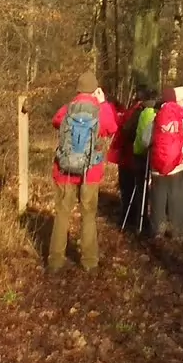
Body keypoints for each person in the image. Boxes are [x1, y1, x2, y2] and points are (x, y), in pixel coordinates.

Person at [48, 72, 118, 273]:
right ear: (95, 89)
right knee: (88, 215)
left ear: (78, 89)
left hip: (64, 170)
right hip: (91, 171)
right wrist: (103, 103)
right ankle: (90, 262)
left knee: (62, 213)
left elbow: (55, 122)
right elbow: (112, 127)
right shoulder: (99, 110)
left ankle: (55, 261)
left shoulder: (67, 109)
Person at [142, 85, 183, 239]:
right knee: (177, 196)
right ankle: (177, 231)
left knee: (158, 196)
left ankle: (158, 230)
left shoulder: (156, 116)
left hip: (158, 164)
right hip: (177, 163)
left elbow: (146, 140)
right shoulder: (182, 116)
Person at [111, 84, 153, 230]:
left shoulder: (137, 111)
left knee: (128, 187)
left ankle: (129, 217)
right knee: (141, 188)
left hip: (130, 155)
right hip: (143, 154)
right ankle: (139, 217)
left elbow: (127, 130)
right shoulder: (154, 110)